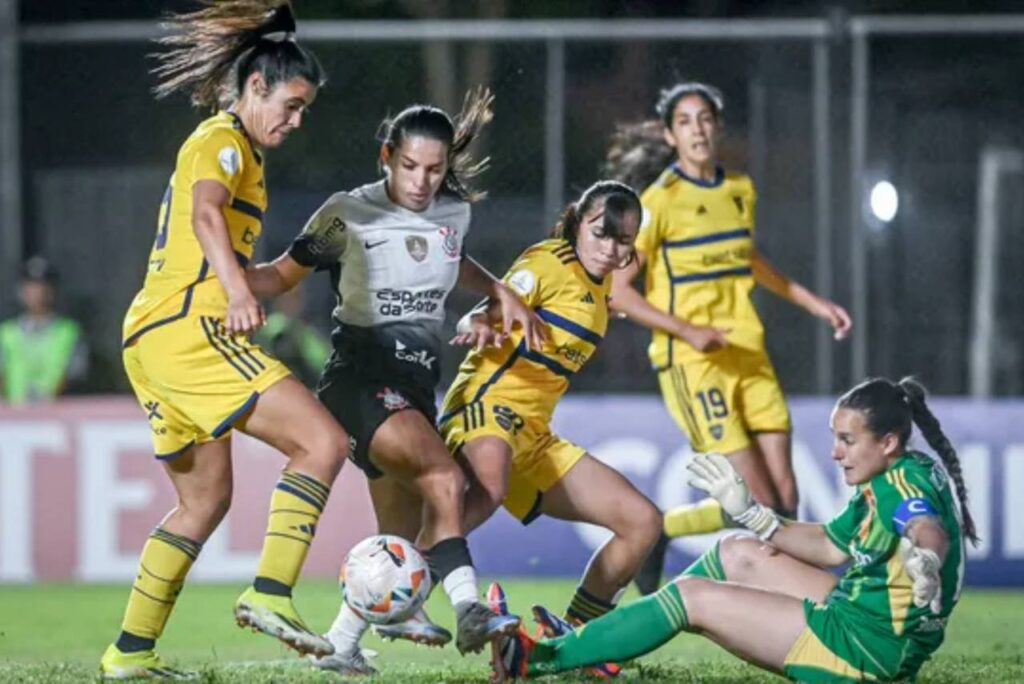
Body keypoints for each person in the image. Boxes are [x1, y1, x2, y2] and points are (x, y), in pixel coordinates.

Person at [245, 89, 545, 675]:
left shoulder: (453, 213)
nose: (422, 180)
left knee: (402, 534)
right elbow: (280, 276)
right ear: (387, 155)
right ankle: (469, 609)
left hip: (413, 388)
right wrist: (223, 277)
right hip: (358, 378)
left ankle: (341, 646)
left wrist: (498, 291)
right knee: (444, 478)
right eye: (410, 166)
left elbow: (448, 258)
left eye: (435, 169)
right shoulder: (347, 212)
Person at [101, 2, 348, 678]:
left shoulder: (246, 159)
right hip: (190, 328)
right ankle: (270, 592)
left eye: (305, 112)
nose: (295, 122)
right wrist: (236, 294)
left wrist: (304, 258)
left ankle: (129, 653)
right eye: (292, 105)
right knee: (323, 442)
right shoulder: (224, 137)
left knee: (204, 502)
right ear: (257, 86)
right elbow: (207, 214)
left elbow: (256, 273)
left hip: (153, 335)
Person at [495, 376, 977, 683]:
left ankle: (537, 659)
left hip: (863, 650)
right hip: (872, 624)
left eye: (847, 440)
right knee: (737, 552)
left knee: (691, 596)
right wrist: (751, 512)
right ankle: (601, 644)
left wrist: (927, 557)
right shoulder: (902, 468)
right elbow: (830, 546)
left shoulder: (900, 485)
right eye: (835, 438)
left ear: (887, 441)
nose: (835, 452)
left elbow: (925, 526)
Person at [604, 82, 853, 592]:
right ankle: (661, 532)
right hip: (692, 365)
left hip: (748, 353)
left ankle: (778, 597)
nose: (696, 129)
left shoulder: (740, 188)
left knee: (784, 500)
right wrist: (687, 330)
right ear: (672, 136)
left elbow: (750, 261)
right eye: (685, 122)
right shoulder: (658, 202)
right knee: (755, 501)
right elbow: (619, 292)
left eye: (704, 119)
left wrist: (813, 303)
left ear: (717, 127)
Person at [439, 180, 663, 676]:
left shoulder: (601, 289)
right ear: (578, 222)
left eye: (624, 240)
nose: (611, 248)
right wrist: (479, 319)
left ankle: (572, 644)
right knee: (487, 488)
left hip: (534, 435)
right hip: (485, 404)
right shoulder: (550, 260)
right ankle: (395, 579)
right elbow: (498, 302)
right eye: (602, 233)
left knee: (641, 522)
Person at [0, 256, 88, 404]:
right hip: (12, 418)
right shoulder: (6, 333)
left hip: (59, 417)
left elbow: (75, 377)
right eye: (31, 286)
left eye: (42, 286)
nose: (37, 292)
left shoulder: (68, 332)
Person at [253, 282, 331, 388]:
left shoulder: (305, 331)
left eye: (296, 297)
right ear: (277, 299)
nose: (292, 302)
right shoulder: (271, 329)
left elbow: (322, 362)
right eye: (287, 297)